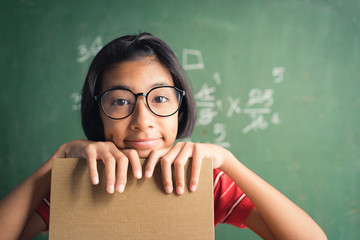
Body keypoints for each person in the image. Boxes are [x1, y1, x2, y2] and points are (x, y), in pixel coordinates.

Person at [0, 32, 327, 240]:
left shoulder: (200, 179)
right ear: (97, 113)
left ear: (180, 109)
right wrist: (59, 159)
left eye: (159, 99)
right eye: (120, 101)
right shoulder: (80, 180)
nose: (142, 121)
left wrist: (228, 161)